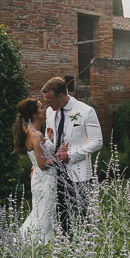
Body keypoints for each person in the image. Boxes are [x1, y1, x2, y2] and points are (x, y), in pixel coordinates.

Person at [42, 77, 103, 234]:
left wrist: (71, 155)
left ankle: (84, 245)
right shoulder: (50, 112)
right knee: (60, 210)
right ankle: (65, 243)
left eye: (50, 101)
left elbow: (97, 142)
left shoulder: (86, 111)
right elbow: (48, 140)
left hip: (78, 170)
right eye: (46, 102)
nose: (47, 105)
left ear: (61, 96)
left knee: (81, 212)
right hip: (55, 171)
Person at [13, 98, 57, 244]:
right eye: (41, 107)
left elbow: (40, 153)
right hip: (45, 179)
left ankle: (31, 243)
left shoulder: (31, 132)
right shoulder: (36, 135)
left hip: (38, 179)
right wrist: (60, 155)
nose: (44, 109)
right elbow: (43, 164)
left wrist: (48, 139)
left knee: (41, 212)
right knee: (45, 214)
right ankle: (41, 244)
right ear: (34, 114)